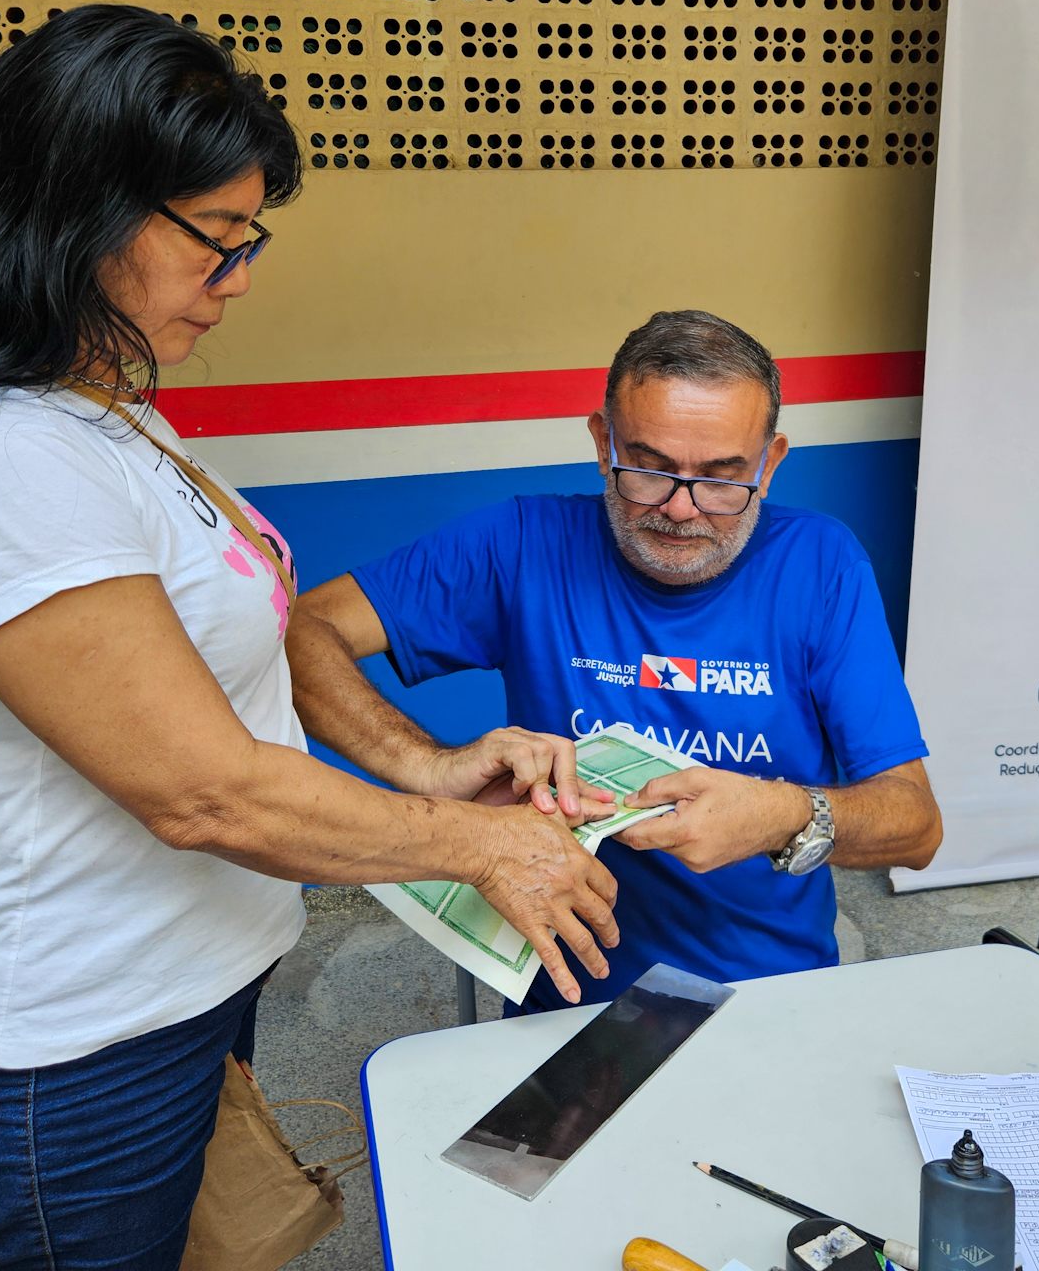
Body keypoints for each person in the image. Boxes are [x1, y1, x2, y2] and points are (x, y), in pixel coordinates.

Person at [0, 4, 619, 1270]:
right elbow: (202, 790)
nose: (237, 278)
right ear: (71, 214)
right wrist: (481, 845)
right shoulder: (3, 464)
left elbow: (260, 641)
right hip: (69, 1062)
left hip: (175, 1004)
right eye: (215, 238)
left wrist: (423, 767)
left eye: (250, 238)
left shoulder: (105, 412)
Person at [289, 310, 944, 1014]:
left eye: (722, 479)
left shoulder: (821, 563)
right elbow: (300, 631)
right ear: (603, 443)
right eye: (651, 470)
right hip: (568, 1000)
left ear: (770, 461)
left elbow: (916, 826)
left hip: (767, 993)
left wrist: (782, 814)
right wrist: (424, 766)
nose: (682, 510)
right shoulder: (521, 543)